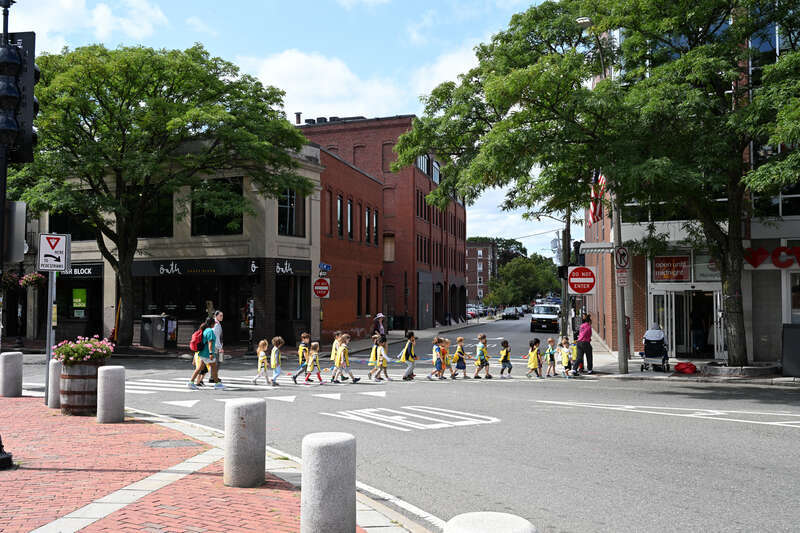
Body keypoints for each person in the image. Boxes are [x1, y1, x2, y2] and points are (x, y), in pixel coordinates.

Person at [189, 317, 222, 389]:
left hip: (202, 353)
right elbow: (210, 343)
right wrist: (211, 353)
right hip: (207, 354)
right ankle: (217, 384)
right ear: (212, 324)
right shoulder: (210, 331)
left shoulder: (205, 330)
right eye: (214, 323)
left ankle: (191, 382)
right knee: (214, 368)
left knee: (199, 368)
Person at [210, 310, 224, 384]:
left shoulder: (217, 323)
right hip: (216, 346)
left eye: (222, 315)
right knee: (216, 362)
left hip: (215, 346)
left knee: (216, 362)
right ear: (216, 316)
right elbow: (216, 337)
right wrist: (220, 348)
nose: (222, 317)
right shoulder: (216, 324)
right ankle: (213, 377)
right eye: (220, 315)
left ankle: (213, 376)